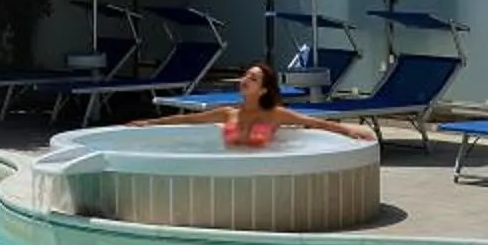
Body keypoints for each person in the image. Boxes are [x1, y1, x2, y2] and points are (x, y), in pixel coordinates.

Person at [162, 62, 378, 147]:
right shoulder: (228, 113)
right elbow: (186, 119)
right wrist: (149, 123)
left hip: (262, 170)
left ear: (263, 90)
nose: (245, 80)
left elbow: (315, 123)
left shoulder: (274, 114)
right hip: (229, 168)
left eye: (253, 79)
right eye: (245, 75)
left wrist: (348, 130)